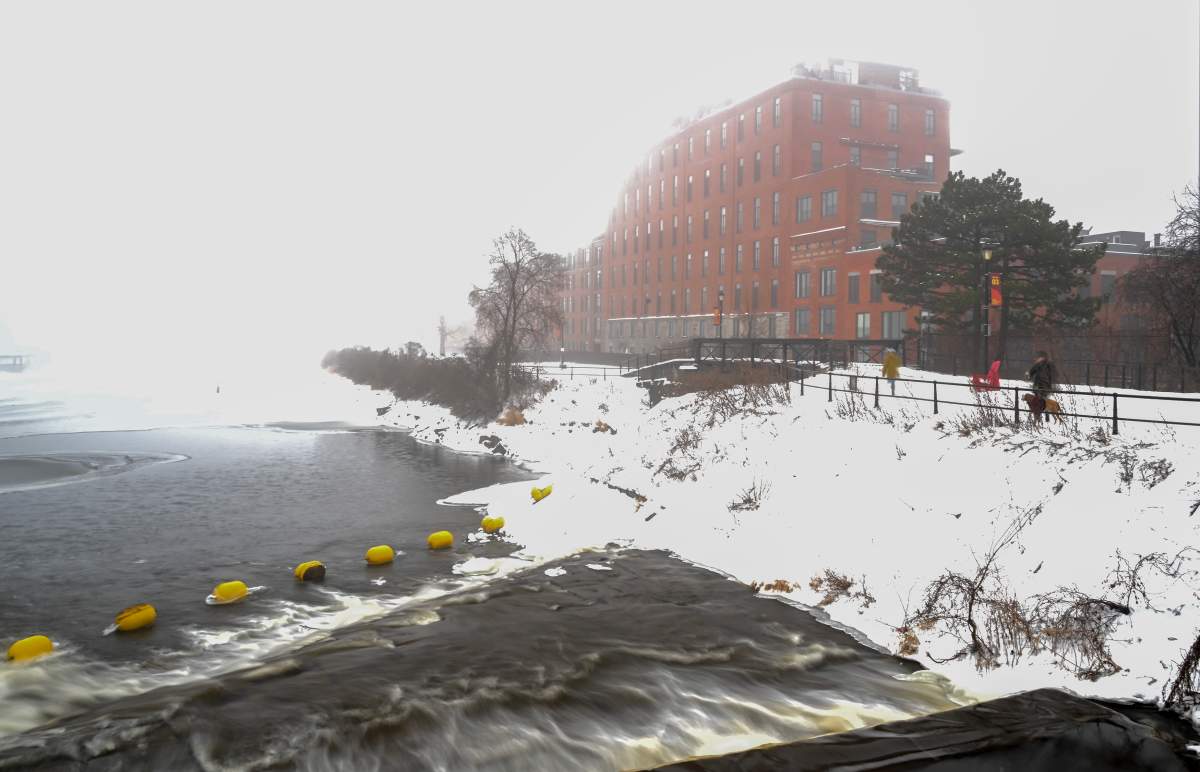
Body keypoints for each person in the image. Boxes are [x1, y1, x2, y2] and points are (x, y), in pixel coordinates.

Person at [1027, 351, 1055, 421]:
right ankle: (1046, 417)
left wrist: (1028, 375)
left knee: (1038, 402)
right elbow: (1054, 375)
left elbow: (1030, 374)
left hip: (1038, 387)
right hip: (1046, 387)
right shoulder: (1050, 364)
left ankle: (1038, 417)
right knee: (1044, 401)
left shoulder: (1038, 364)